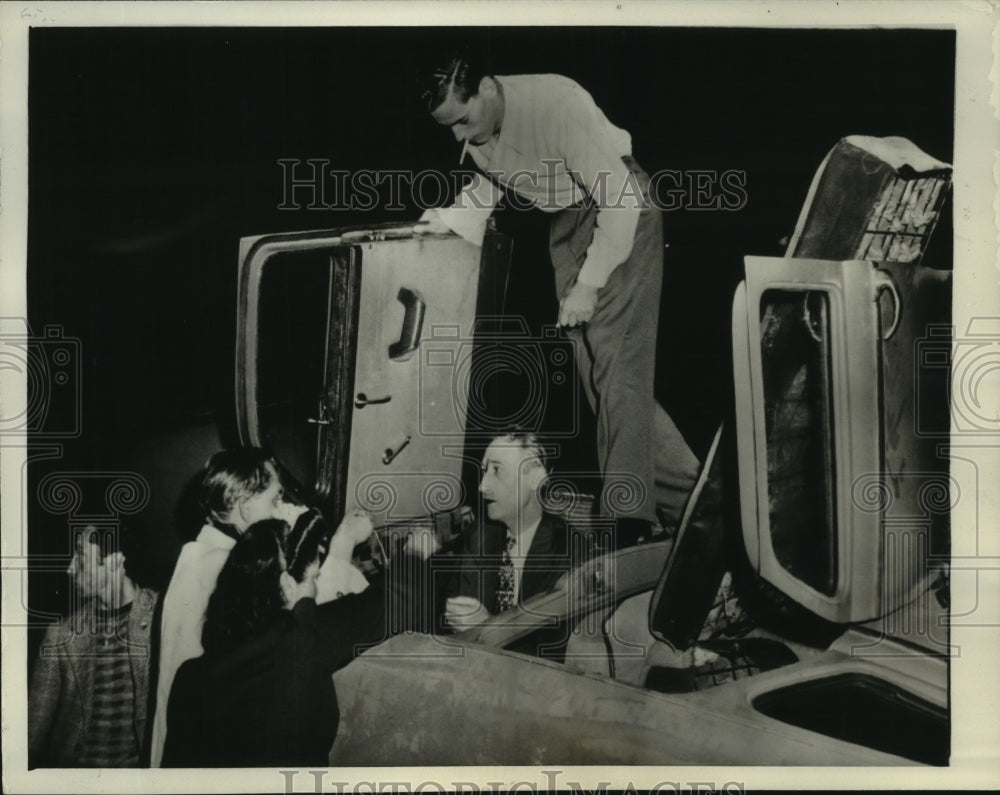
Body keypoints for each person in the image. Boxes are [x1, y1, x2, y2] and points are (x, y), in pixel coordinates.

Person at [415, 52, 701, 545]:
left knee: (618, 364)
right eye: (450, 129)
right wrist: (448, 218)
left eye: (462, 121)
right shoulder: (480, 126)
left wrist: (589, 284)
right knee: (599, 379)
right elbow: (493, 180)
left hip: (619, 210)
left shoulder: (554, 104)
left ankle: (626, 520)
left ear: (486, 88)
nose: (459, 137)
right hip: (567, 223)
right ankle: (695, 502)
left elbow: (621, 200)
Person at [162, 507, 432, 767]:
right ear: (288, 586)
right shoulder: (303, 638)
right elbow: (398, 600)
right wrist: (415, 553)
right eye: (314, 578)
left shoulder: (189, 677)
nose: (316, 590)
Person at [150, 448, 319, 766]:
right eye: (274, 500)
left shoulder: (198, 556)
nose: (281, 510)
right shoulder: (226, 566)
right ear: (244, 510)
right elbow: (296, 619)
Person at [29, 522, 159, 767]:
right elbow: (32, 730)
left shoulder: (163, 617)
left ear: (114, 560)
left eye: (80, 555)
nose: (69, 569)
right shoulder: (60, 634)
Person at [445, 431, 586, 631]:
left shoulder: (571, 552)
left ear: (535, 479)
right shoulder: (476, 537)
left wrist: (489, 629)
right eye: (485, 470)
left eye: (497, 470)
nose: (482, 486)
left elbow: (557, 645)